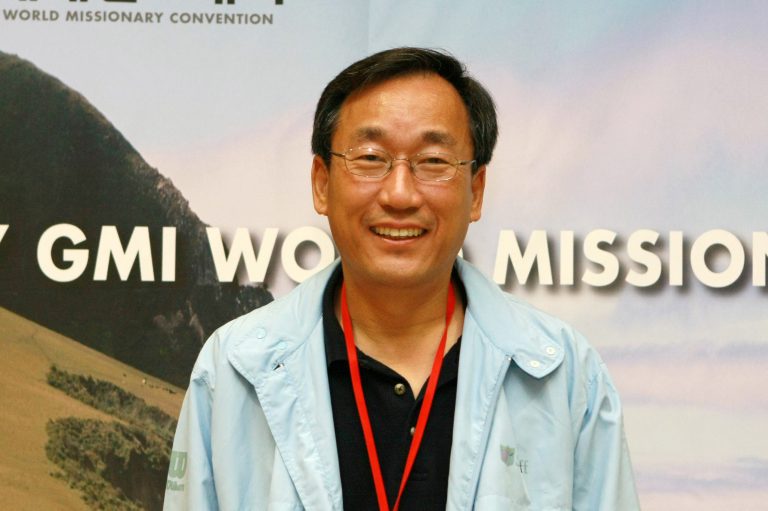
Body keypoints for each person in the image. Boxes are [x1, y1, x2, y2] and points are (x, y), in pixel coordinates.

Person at [163, 47, 639, 510]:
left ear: (475, 191)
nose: (399, 194)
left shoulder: (564, 375)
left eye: (434, 161)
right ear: (322, 183)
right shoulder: (233, 370)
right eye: (371, 158)